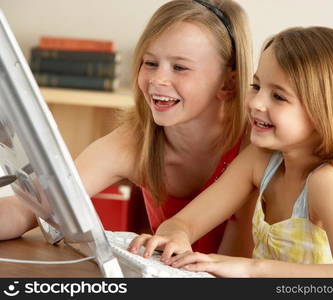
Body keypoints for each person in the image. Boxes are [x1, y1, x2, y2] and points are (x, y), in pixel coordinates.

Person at [128, 26, 333, 277]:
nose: (255, 102)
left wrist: (251, 269)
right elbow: (186, 222)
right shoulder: (261, 161)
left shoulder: (332, 181)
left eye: (278, 96)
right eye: (256, 86)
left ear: (325, 112)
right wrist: (175, 235)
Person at [0, 0, 256, 257]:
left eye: (180, 67)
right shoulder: (134, 142)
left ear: (228, 83)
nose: (158, 79)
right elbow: (33, 207)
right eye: (150, 63)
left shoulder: (257, 135)